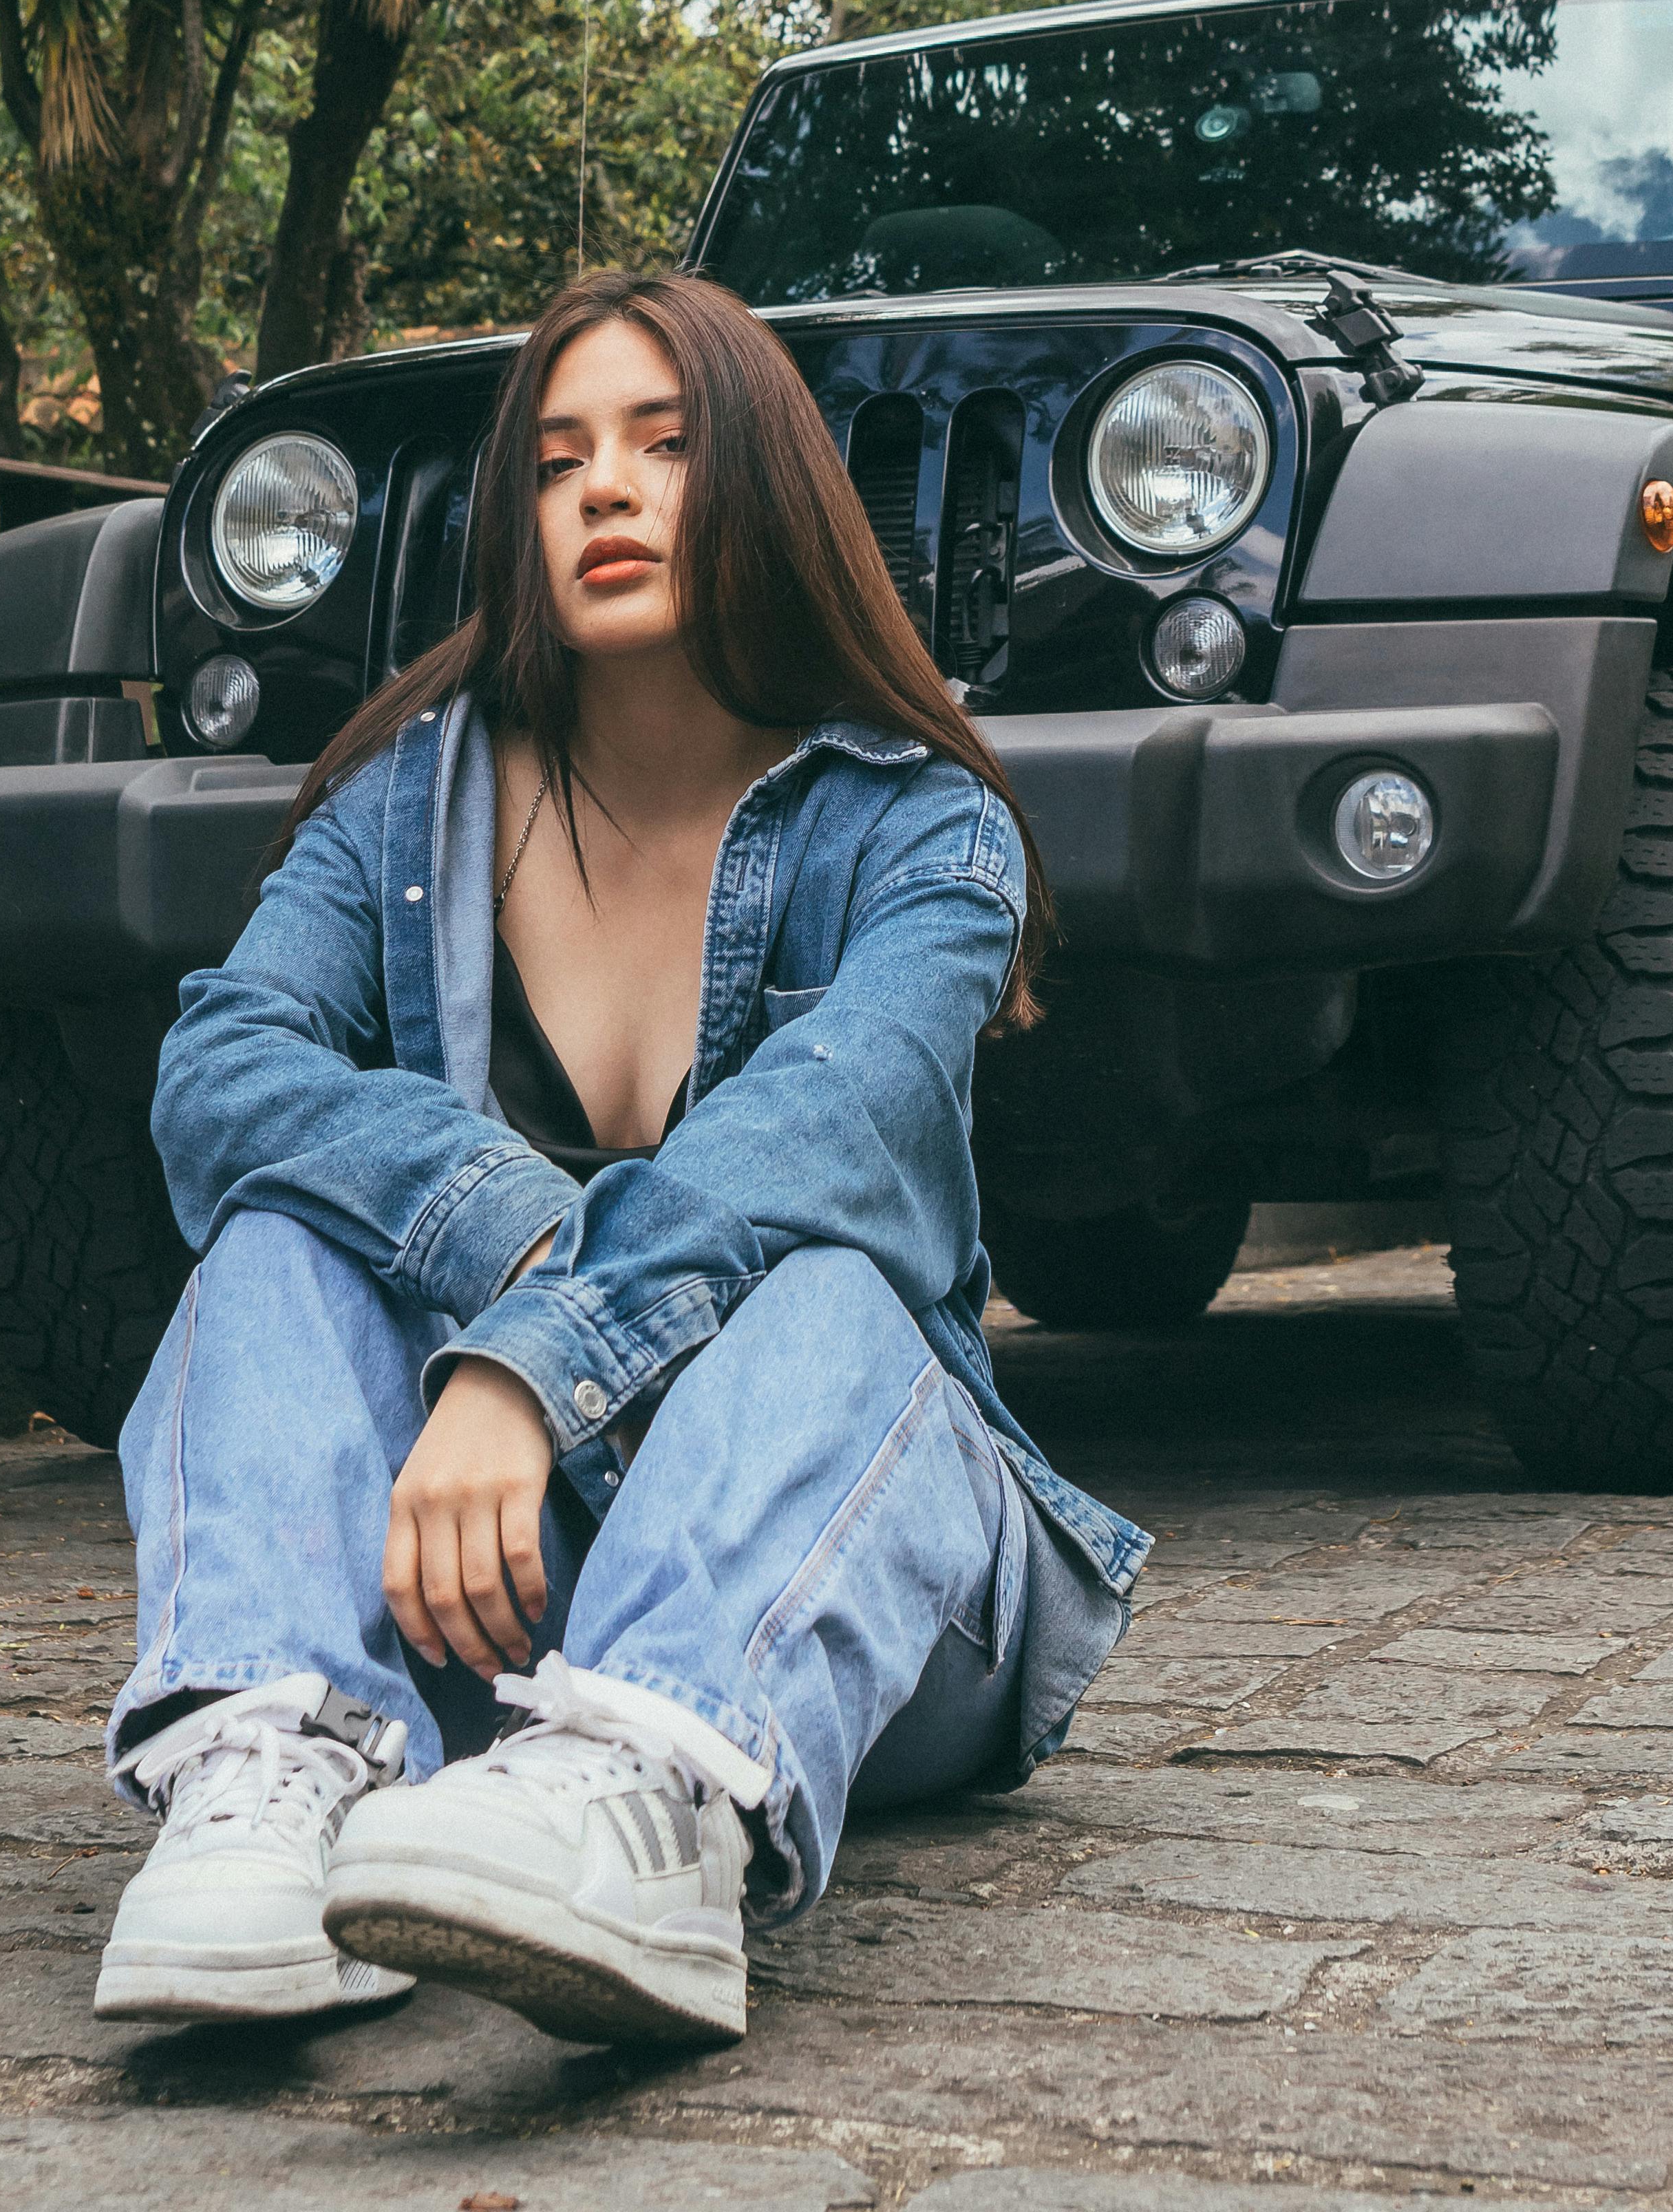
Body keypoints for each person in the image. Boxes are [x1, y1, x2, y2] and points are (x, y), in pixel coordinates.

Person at [92, 266, 1144, 2047]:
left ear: (766, 489)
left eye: (664, 445)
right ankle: (271, 1764)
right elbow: (221, 1066)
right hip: (511, 1580)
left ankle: (649, 1800)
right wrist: (508, 1244)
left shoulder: (921, 831)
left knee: (828, 1282)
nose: (603, 488)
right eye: (561, 456)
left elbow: (831, 1131)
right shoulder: (402, 814)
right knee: (274, 1249)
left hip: (870, 1571)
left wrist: (531, 1364)